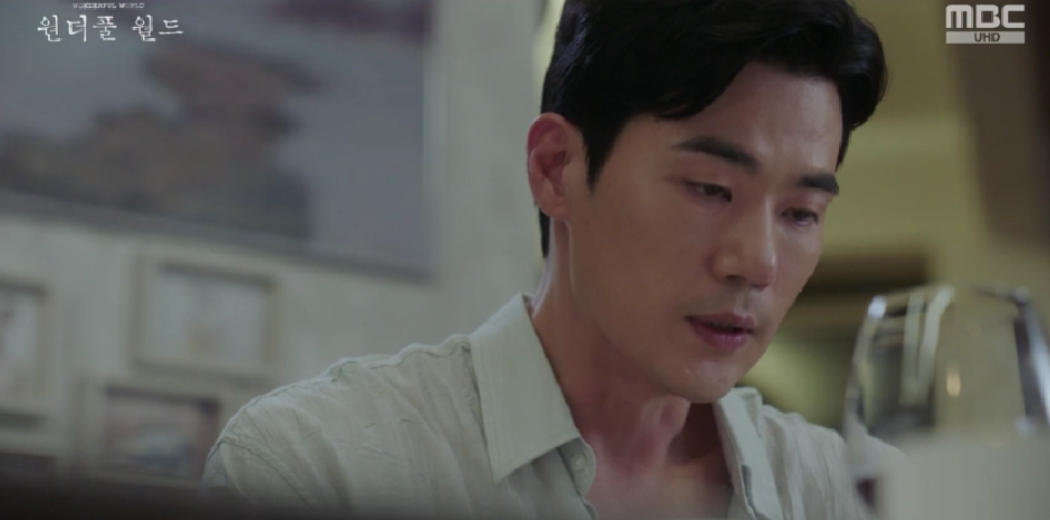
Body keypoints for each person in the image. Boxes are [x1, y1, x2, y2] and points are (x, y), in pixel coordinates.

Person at [200, 1, 894, 518]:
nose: (758, 262)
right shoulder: (319, 469)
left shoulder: (862, 498)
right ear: (556, 168)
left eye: (801, 213)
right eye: (710, 189)